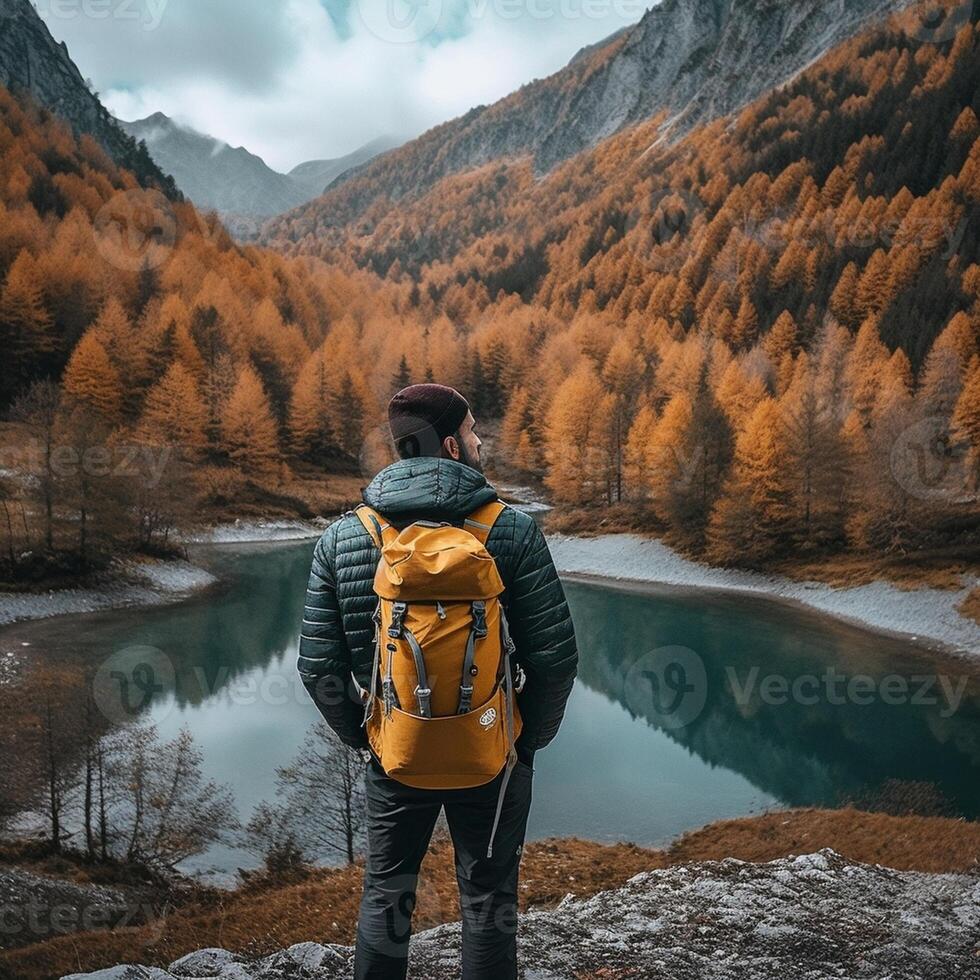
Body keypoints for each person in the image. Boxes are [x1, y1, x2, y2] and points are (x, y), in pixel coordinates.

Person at [297, 383, 578, 980]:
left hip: (396, 753)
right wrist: (523, 740)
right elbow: (555, 662)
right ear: (451, 444)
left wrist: (369, 735)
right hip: (491, 753)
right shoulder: (512, 532)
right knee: (489, 900)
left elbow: (318, 668)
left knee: (387, 895)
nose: (481, 441)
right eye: (474, 431)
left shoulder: (346, 537)